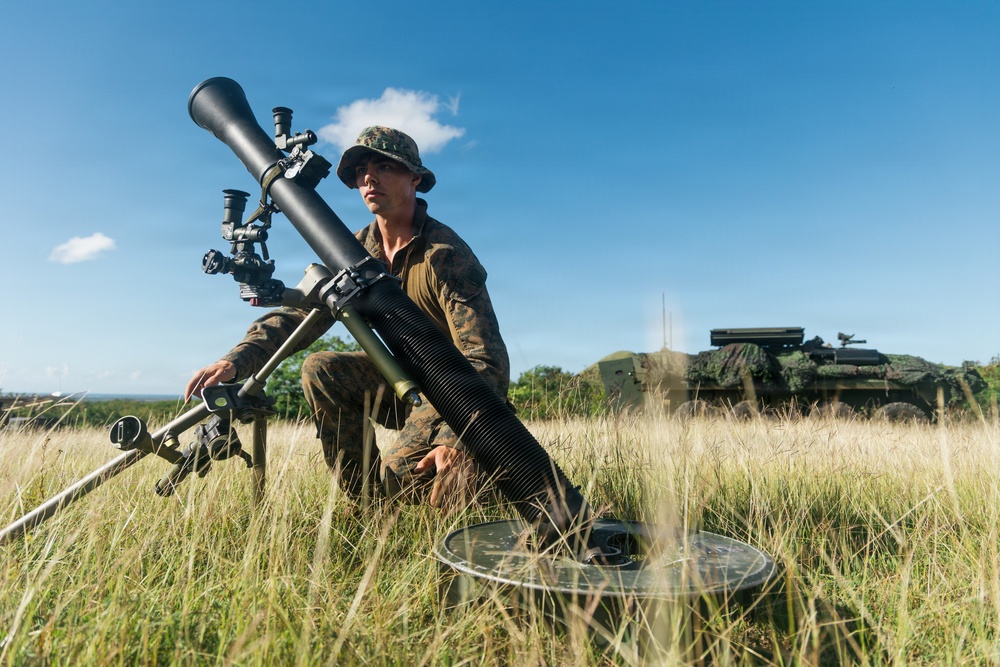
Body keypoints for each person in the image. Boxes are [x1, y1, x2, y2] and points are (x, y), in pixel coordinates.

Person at [185, 126, 510, 509]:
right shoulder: (355, 251)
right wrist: (236, 360)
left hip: (456, 393)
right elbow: (298, 314)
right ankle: (366, 509)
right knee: (321, 368)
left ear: (415, 178)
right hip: (400, 383)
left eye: (384, 166)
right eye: (361, 171)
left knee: (403, 484)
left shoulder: (446, 254)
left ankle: (481, 480)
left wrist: (454, 439)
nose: (369, 178)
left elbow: (484, 359)